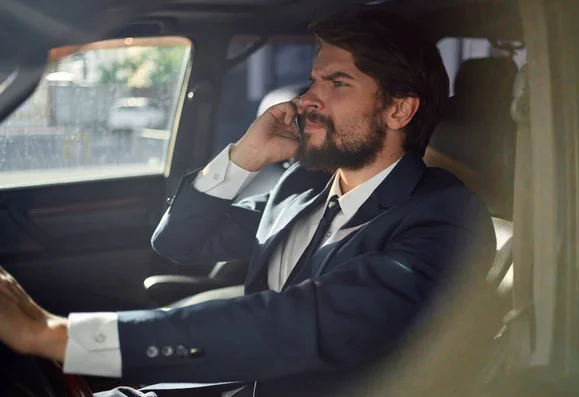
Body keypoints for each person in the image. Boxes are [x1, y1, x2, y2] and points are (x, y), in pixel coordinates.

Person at [0, 8, 496, 397]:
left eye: (338, 83)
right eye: (314, 80)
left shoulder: (446, 216)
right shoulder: (299, 189)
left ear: (398, 109)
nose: (308, 99)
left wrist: (58, 335)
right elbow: (178, 241)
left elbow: (298, 323)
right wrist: (244, 158)